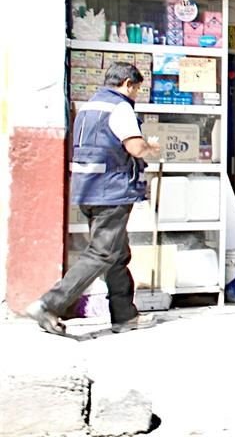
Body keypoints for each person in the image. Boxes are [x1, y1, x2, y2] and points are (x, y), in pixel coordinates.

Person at [25, 62, 161, 334]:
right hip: (110, 191)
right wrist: (151, 148)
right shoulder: (120, 107)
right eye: (136, 88)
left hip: (88, 188)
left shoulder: (89, 106)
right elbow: (134, 147)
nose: (135, 94)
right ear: (128, 84)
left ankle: (124, 316)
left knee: (117, 253)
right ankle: (49, 304)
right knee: (102, 252)